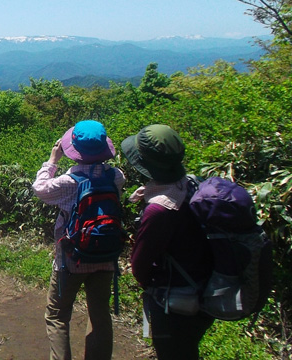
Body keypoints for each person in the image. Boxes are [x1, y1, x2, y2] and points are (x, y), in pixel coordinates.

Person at [33, 120, 125, 360]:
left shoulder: (67, 183)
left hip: (71, 259)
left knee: (57, 315)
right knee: (99, 314)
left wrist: (52, 161)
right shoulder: (116, 177)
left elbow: (39, 188)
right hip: (106, 257)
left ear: (72, 150)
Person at [121, 124, 215, 360]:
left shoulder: (159, 211)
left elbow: (139, 268)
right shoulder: (195, 183)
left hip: (176, 301)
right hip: (204, 289)